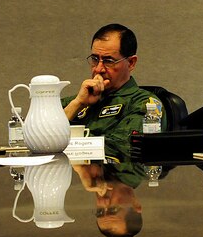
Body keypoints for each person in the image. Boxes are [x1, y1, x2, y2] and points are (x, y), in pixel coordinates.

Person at [62, 23, 165, 153]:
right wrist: (77, 104)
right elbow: (38, 139)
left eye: (108, 61)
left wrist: (66, 140)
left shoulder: (145, 104)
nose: (98, 69)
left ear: (131, 63)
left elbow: (123, 148)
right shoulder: (74, 102)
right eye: (95, 59)